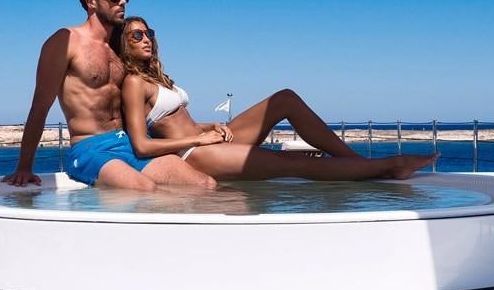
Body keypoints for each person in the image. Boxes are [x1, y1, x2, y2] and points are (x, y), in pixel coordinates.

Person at [115, 16, 436, 181]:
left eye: (149, 33)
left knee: (285, 98)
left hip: (204, 139)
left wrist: (208, 126)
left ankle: (362, 164)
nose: (147, 39)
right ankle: (391, 165)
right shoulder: (133, 83)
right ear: (124, 44)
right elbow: (142, 145)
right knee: (294, 163)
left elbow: (177, 122)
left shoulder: (155, 77)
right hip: (193, 154)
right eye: (137, 35)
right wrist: (200, 141)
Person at [2, 0, 217, 191]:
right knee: (144, 189)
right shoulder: (65, 41)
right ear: (91, 1)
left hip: (129, 143)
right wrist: (24, 167)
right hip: (89, 148)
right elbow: (39, 108)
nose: (122, 2)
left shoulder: (120, 47)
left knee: (205, 184)